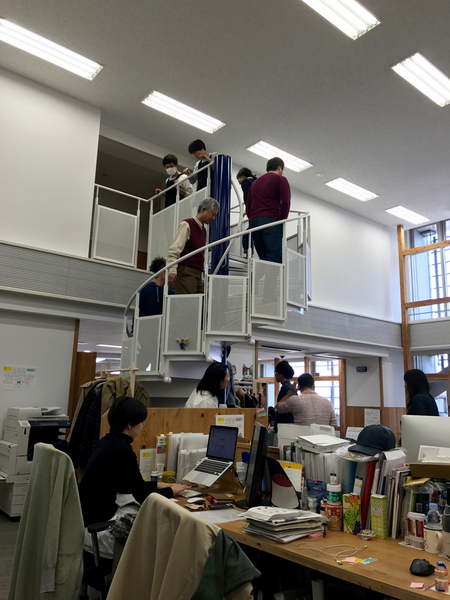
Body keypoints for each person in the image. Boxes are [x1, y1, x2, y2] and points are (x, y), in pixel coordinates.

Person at [78, 396, 189, 558]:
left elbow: (126, 484)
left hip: (88, 521)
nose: (142, 427)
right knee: (159, 525)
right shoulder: (122, 449)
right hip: (99, 531)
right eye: (140, 422)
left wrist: (156, 485)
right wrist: (172, 491)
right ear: (130, 425)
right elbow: (144, 496)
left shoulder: (106, 442)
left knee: (135, 506)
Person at [166, 197, 219, 294]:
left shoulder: (204, 231)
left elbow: (200, 255)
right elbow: (175, 248)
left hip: (197, 273)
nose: (213, 218)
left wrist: (201, 276)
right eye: (213, 214)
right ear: (203, 209)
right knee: (187, 302)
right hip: (186, 271)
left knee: (200, 302)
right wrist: (172, 269)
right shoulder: (187, 224)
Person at [246, 157, 291, 264]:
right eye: (283, 170)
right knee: (274, 260)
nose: (283, 173)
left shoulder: (254, 183)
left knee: (263, 260)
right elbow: (286, 202)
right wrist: (282, 221)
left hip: (254, 224)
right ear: (279, 168)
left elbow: (248, 206)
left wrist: (252, 219)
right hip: (271, 222)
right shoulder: (280, 179)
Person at [237, 167, 257, 255]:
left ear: (242, 176)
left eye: (238, 179)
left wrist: (247, 208)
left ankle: (248, 252)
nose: (239, 182)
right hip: (260, 211)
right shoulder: (255, 181)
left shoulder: (246, 182)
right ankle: (250, 252)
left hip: (254, 213)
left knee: (246, 235)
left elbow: (248, 197)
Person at [274, 360, 295, 428]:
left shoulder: (285, 388)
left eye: (276, 372)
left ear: (281, 374)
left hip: (285, 425)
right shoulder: (290, 386)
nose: (275, 375)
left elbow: (280, 409)